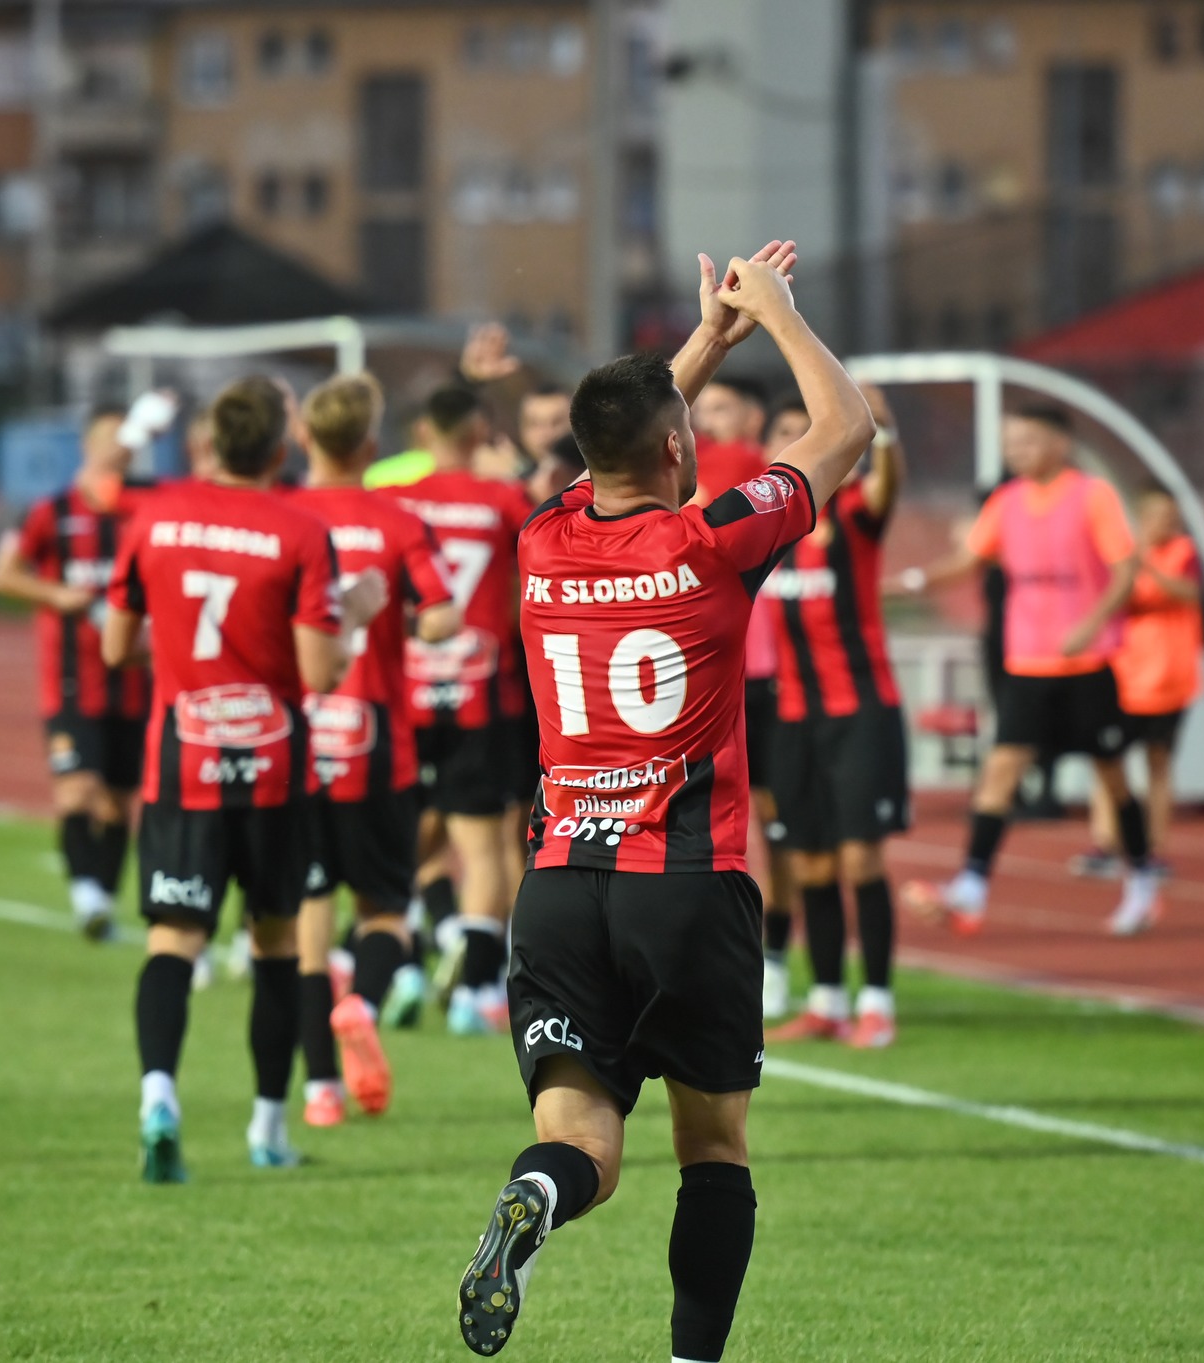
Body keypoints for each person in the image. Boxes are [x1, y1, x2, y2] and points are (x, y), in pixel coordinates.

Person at [455, 239, 873, 1362]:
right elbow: (845, 430)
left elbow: (619, 438)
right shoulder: (712, 542)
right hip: (685, 883)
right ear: (680, 447)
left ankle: (537, 1199)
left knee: (580, 1141)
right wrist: (774, 316)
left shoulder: (543, 539)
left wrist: (702, 343)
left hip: (558, 886)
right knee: (712, 1149)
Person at [103, 375, 368, 1180]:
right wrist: (356, 613)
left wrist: (184, 655)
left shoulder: (156, 516)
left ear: (212, 442)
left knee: (174, 938)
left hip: (182, 760)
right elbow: (320, 672)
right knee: (276, 941)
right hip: (272, 770)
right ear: (281, 447)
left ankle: (158, 1097)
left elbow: (116, 647)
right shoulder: (300, 530)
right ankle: (268, 1128)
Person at [892, 405, 1163, 937]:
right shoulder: (1007, 501)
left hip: (1087, 663)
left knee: (1111, 774)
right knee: (1002, 769)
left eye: (1029, 440)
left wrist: (1092, 624)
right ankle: (971, 886)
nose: (1018, 451)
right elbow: (967, 560)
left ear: (1061, 444)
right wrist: (908, 583)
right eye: (1011, 442)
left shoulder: (1093, 496)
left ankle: (1142, 881)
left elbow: (1126, 570)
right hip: (1026, 663)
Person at [289, 374, 460, 1128]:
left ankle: (320, 1091)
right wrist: (407, 625)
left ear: (304, 438)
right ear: (370, 443)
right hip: (376, 740)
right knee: (386, 908)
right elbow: (444, 615)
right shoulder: (397, 522)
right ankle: (361, 999)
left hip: (297, 742)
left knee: (307, 919)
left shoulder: (282, 516)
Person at [760, 386, 909, 1049]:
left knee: (861, 859)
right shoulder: (768, 531)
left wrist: (886, 431)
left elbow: (888, 487)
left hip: (861, 715)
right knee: (811, 865)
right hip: (793, 718)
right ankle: (825, 1000)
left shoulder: (854, 515)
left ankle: (876, 1001)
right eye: (787, 432)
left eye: (811, 428)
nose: (800, 442)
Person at [396, 384, 535, 1036]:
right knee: (485, 847)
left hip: (405, 692)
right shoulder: (503, 499)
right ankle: (474, 988)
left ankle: (410, 958)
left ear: (425, 431)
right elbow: (539, 567)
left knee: (407, 837)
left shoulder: (394, 501)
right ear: (481, 432)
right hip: (482, 691)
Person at [0, 404, 152, 939]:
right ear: (87, 445)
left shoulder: (145, 511)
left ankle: (102, 899)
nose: (119, 450)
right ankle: (86, 897)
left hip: (135, 681)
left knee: (118, 803)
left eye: (127, 442)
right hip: (71, 681)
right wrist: (58, 595)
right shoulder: (51, 512)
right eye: (110, 440)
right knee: (76, 791)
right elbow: (3, 574)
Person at [692, 383, 799, 1018]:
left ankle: (775, 957)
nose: (708, 421)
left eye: (721, 408)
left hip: (766, 676)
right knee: (723, 822)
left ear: (752, 417)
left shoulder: (750, 467)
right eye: (702, 410)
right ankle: (751, 958)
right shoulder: (706, 467)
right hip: (722, 670)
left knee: (771, 824)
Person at [1074, 487, 1203, 880]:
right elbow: (1109, 599)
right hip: (1125, 675)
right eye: (1161, 516)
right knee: (1109, 761)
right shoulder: (1119, 555)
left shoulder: (1184, 553)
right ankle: (1106, 843)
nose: (1170, 524)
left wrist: (1148, 568)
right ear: (1142, 518)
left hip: (1170, 679)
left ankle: (1155, 849)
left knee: (1158, 764)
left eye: (1173, 517)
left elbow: (1190, 592)